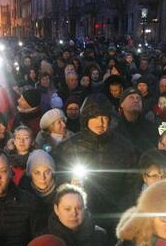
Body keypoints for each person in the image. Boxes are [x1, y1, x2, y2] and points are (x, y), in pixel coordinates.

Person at [53, 94, 137, 228]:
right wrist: (70, 185)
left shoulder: (124, 147)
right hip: (79, 215)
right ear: (86, 118)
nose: (101, 123)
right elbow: (58, 181)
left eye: (104, 118)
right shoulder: (67, 148)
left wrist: (122, 211)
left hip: (115, 215)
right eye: (95, 118)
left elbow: (132, 183)